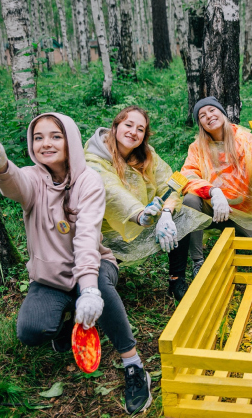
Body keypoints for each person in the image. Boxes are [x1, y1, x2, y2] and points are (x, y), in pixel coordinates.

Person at [0, 113, 152, 414]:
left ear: (70, 141)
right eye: (38, 137)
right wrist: (1, 165)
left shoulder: (89, 180)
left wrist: (89, 290)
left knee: (99, 286)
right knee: (31, 330)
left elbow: (86, 238)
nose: (46, 143)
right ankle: (68, 324)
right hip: (51, 277)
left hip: (94, 266)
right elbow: (15, 185)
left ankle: (133, 365)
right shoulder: (32, 178)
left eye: (55, 136)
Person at [84, 106, 210, 301]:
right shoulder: (94, 158)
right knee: (97, 276)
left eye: (140, 129)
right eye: (128, 125)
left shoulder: (147, 154)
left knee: (181, 216)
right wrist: (139, 214)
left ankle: (176, 280)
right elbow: (112, 192)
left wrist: (166, 213)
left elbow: (168, 184)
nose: (133, 132)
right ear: (115, 127)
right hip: (106, 235)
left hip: (146, 220)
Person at [180, 96, 252, 271]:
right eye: (202, 115)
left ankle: (237, 232)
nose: (208, 116)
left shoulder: (247, 139)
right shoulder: (197, 147)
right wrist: (213, 192)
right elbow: (188, 176)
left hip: (242, 211)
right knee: (190, 200)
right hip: (211, 208)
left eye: (212, 110)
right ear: (200, 124)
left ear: (222, 112)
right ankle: (197, 261)